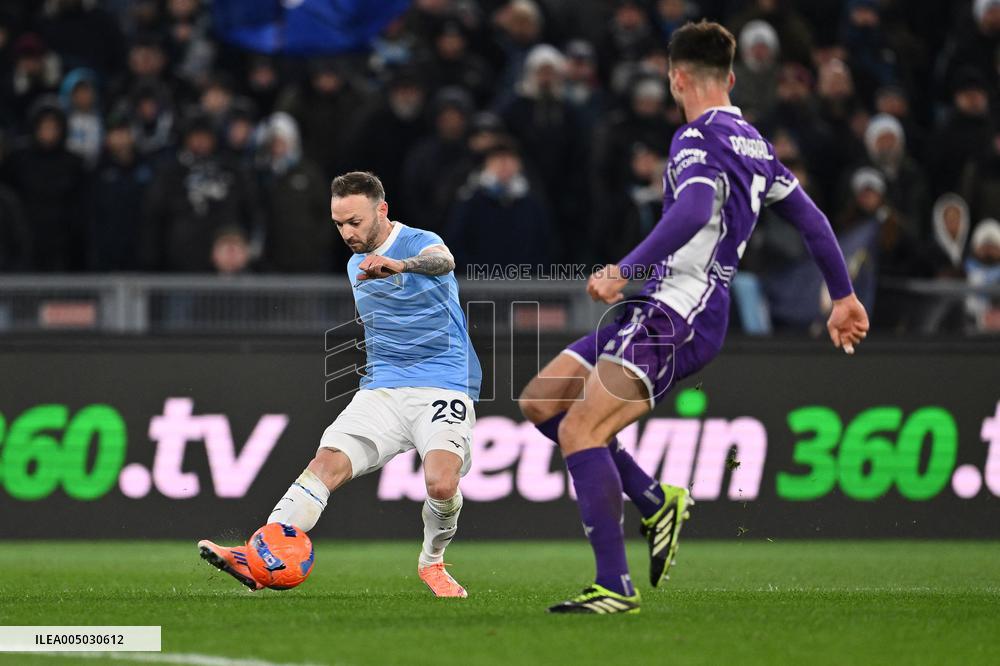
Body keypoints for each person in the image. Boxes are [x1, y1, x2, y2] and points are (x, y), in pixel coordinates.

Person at [518, 21, 869, 614]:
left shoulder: (694, 139)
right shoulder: (757, 145)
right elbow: (812, 220)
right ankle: (656, 501)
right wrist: (844, 295)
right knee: (541, 401)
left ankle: (614, 586)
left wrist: (622, 269)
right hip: (661, 307)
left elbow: (695, 208)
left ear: (677, 79)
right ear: (730, 77)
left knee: (580, 430)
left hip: (678, 311)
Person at [198, 171, 482, 598]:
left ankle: (432, 562)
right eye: (339, 224)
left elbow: (445, 261)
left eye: (355, 222)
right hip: (382, 389)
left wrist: (400, 265)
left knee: (442, 483)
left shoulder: (418, 242)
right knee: (325, 464)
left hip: (441, 386)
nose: (347, 233)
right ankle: (258, 554)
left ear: (382, 210)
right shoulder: (355, 264)